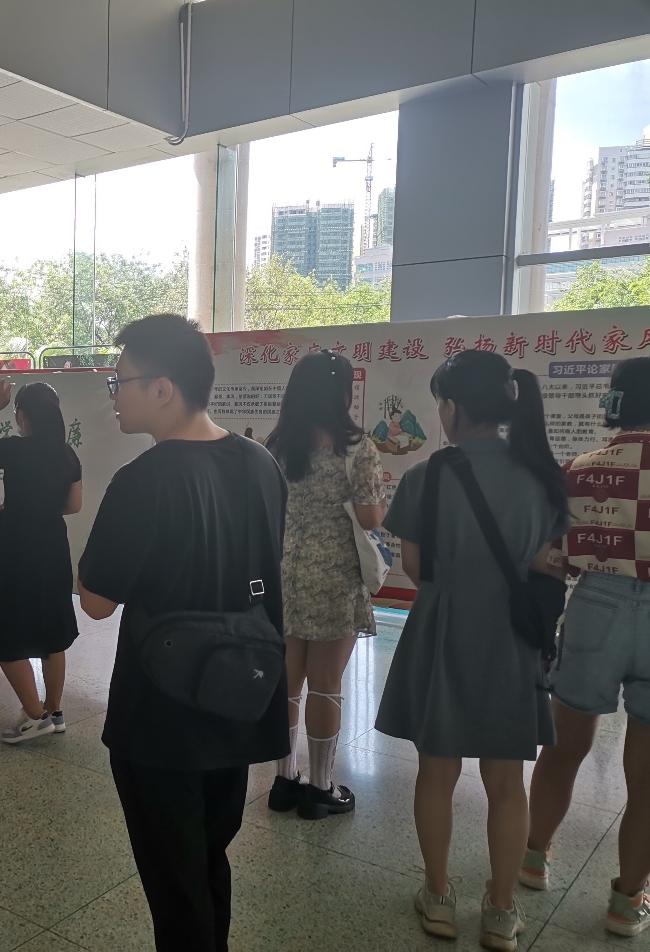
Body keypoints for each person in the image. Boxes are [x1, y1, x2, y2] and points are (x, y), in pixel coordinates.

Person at [77, 314, 289, 950]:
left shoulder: (142, 480)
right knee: (206, 857)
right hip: (240, 694)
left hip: (161, 714)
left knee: (174, 882)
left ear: (163, 389)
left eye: (120, 383)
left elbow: (96, 603)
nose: (114, 397)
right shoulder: (261, 463)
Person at [375, 349, 568, 949]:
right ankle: (502, 910)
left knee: (436, 772)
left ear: (453, 408)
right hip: (511, 641)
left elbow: (415, 569)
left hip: (442, 631)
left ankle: (438, 898)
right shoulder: (541, 478)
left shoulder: (425, 476)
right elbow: (547, 566)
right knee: (506, 782)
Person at [523, 356, 650, 937]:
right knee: (646, 775)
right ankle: (626, 902)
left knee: (565, 746)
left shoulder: (579, 469)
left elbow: (555, 558)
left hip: (596, 604)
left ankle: (532, 858)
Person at [263, 351, 385, 820]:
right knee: (327, 684)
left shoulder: (277, 446)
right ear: (342, 393)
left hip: (285, 573)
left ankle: (283, 779)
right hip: (335, 576)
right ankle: (320, 787)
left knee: (288, 682)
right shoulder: (357, 448)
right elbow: (371, 517)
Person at [0, 379, 82, 743]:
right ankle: (54, 712)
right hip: (54, 552)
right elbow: (73, 505)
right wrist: (21, 512)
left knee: (5, 637)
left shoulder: (16, 449)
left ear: (23, 415)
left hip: (20, 556)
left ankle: (35, 714)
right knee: (53, 635)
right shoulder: (67, 454)